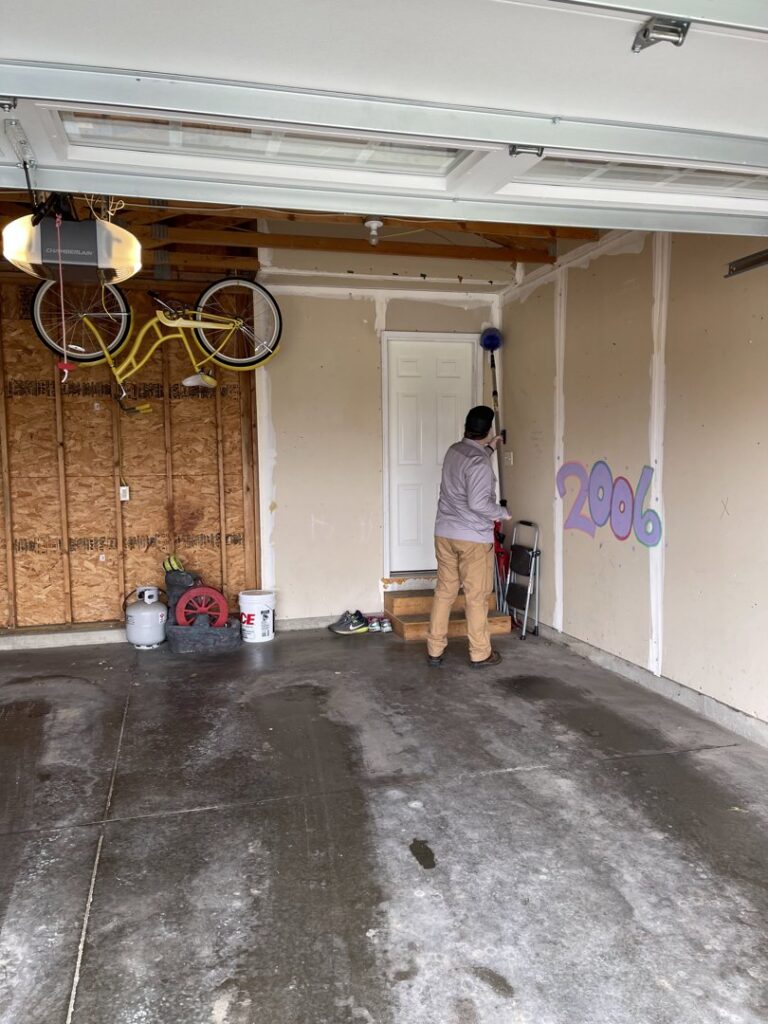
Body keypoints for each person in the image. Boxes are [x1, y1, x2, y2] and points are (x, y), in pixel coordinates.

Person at [426, 405, 511, 668]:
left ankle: (435, 649)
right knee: (476, 597)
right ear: (487, 430)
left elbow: (473, 461)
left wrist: (491, 447)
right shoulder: (480, 465)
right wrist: (503, 512)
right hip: (472, 539)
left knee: (444, 591)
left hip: (445, 534)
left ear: (466, 426)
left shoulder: (455, 451)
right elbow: (478, 504)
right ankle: (480, 653)